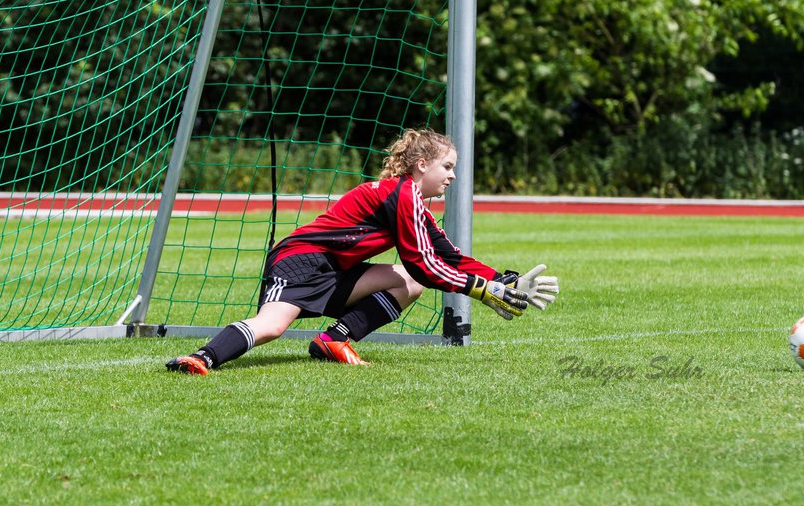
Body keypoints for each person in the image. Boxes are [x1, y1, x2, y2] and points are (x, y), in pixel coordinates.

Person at [166, 128, 559, 375]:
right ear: (422, 165)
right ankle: (202, 358)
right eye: (448, 166)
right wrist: (480, 289)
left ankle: (333, 340)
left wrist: (499, 280)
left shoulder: (412, 200)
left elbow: (449, 257)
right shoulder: (402, 194)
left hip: (336, 269)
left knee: (407, 284)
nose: (453, 176)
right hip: (300, 262)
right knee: (271, 326)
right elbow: (423, 263)